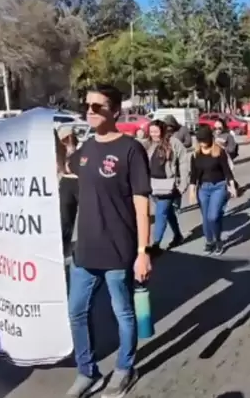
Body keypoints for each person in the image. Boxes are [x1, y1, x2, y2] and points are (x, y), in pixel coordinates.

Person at [66, 84, 151, 398]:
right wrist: (57, 143)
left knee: (123, 314)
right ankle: (87, 372)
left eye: (98, 106)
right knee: (76, 312)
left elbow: (142, 203)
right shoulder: (87, 148)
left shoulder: (131, 149)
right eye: (87, 105)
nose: (90, 110)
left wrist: (143, 251)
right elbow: (66, 168)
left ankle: (124, 369)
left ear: (115, 111)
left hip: (118, 249)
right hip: (85, 250)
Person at [187, 125, 237, 256]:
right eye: (199, 140)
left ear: (210, 139)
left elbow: (227, 171)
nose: (202, 143)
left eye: (204, 140)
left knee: (213, 216)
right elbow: (193, 176)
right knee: (205, 218)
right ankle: (209, 241)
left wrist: (232, 186)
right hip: (203, 188)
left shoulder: (218, 152)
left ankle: (218, 240)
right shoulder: (195, 155)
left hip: (218, 187)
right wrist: (191, 192)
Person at [145, 119, 190, 255]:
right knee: (168, 213)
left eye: (156, 131)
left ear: (163, 131)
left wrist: (183, 184)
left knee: (160, 213)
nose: (154, 134)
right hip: (152, 185)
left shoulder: (174, 143)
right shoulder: (148, 144)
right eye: (151, 131)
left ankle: (156, 245)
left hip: (168, 186)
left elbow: (183, 162)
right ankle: (177, 236)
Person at [56, 125, 80, 263]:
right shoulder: (58, 151)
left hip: (79, 182)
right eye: (65, 138)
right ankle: (65, 248)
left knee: (85, 217)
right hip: (66, 183)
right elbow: (62, 169)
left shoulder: (79, 148)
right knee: (66, 218)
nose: (68, 140)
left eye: (70, 136)